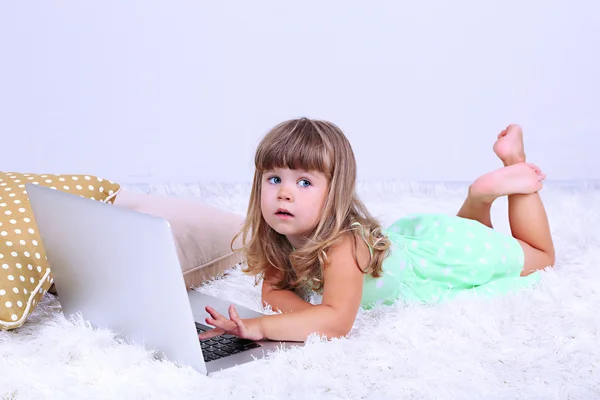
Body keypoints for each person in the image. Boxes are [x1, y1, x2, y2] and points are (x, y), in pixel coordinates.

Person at [198, 118, 555, 342]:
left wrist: (261, 328)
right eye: (274, 178)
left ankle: (515, 167)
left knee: (540, 257)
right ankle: (478, 201)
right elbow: (272, 295)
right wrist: (307, 315)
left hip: (438, 260)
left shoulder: (340, 247)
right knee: (478, 233)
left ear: (334, 192)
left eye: (304, 182)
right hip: (421, 241)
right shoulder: (280, 235)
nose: (285, 192)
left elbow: (337, 322)